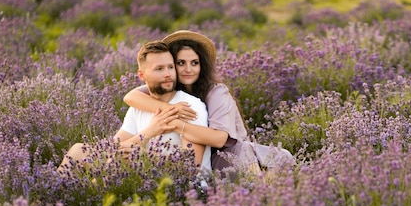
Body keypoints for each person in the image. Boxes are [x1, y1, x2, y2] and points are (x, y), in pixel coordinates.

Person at [124, 30, 293, 178]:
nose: (188, 69)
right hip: (207, 160)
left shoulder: (216, 92)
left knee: (259, 185)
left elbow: (220, 139)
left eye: (194, 63)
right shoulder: (169, 88)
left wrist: (174, 122)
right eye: (181, 63)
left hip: (234, 156)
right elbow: (131, 96)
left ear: (202, 65)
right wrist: (170, 110)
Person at [59, 40, 208, 173]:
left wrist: (142, 156)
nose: (168, 74)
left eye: (170, 67)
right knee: (78, 150)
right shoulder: (138, 107)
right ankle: (53, 200)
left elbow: (191, 167)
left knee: (118, 163)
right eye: (159, 69)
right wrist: (149, 132)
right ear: (142, 75)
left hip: (180, 186)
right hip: (144, 174)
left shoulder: (189, 107)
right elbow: (114, 148)